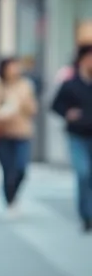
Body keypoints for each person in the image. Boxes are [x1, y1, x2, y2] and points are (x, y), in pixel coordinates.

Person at [0, 56, 37, 214]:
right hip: (1, 133)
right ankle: (10, 200)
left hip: (22, 133)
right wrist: (2, 113)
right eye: (11, 67)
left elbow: (32, 109)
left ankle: (13, 196)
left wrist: (22, 102)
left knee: (21, 168)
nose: (15, 70)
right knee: (8, 169)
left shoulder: (25, 85)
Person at [50, 44, 92, 232]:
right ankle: (86, 215)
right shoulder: (70, 84)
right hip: (77, 135)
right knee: (83, 173)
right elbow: (55, 105)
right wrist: (67, 112)